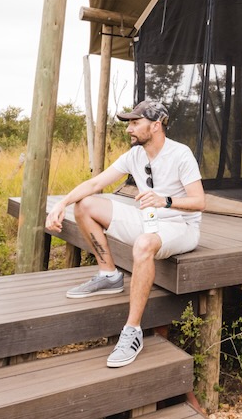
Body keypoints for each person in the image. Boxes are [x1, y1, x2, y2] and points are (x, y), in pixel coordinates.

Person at [45, 99, 205, 368]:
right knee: (84, 205)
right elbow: (96, 182)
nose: (129, 129)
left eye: (135, 122)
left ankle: (132, 330)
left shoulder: (181, 154)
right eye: (128, 123)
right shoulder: (134, 155)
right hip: (148, 218)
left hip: (180, 225)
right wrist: (61, 204)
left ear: (155, 126)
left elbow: (199, 202)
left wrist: (164, 200)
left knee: (143, 245)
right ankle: (109, 275)